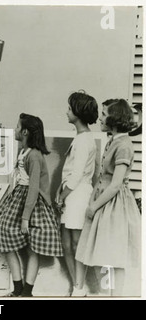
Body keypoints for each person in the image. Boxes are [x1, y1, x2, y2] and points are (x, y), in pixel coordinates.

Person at [0, 113, 63, 297]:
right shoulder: (23, 152)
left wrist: (25, 218)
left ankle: (26, 292)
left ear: (25, 132)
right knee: (4, 237)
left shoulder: (35, 156)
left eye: (17, 126)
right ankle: (18, 289)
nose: (14, 130)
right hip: (19, 198)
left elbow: (34, 188)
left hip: (33, 204)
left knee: (33, 248)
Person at [75, 99, 141, 296]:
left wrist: (94, 206)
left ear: (115, 118)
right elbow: (103, 177)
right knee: (100, 254)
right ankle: (106, 294)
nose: (100, 119)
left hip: (114, 206)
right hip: (103, 202)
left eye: (104, 115)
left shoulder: (124, 145)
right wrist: (92, 202)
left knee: (114, 256)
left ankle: (116, 296)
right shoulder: (113, 141)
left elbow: (115, 184)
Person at [55, 91, 98, 296]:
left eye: (70, 109)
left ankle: (79, 287)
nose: (67, 112)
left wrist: (62, 197)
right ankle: (76, 285)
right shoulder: (82, 137)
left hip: (78, 196)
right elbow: (71, 172)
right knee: (67, 243)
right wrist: (61, 192)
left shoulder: (84, 140)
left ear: (79, 112)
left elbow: (78, 175)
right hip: (72, 194)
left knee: (75, 243)